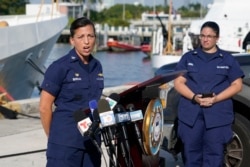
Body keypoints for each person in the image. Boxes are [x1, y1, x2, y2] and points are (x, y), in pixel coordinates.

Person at [174, 21, 244, 167]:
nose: (205, 39)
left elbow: (237, 85)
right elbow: (178, 83)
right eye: (203, 36)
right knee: (190, 155)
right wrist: (194, 97)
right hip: (191, 115)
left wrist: (216, 98)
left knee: (214, 157)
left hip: (217, 116)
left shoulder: (227, 59)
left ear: (217, 38)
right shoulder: (188, 57)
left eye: (210, 36)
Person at [39, 17, 104, 167]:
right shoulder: (59, 67)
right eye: (81, 37)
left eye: (90, 36)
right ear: (72, 41)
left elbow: (95, 101)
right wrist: (55, 137)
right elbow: (44, 107)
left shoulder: (97, 66)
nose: (86, 42)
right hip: (65, 144)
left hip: (91, 142)